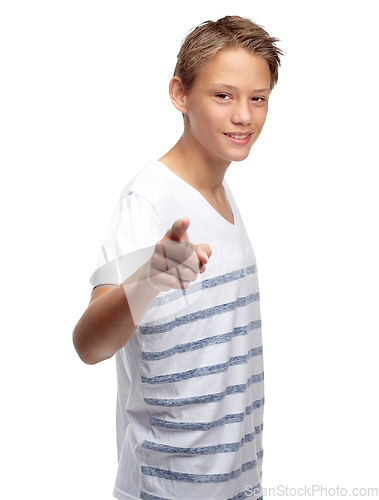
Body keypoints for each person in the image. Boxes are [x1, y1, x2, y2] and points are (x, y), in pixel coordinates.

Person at [73, 15, 282, 500]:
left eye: (259, 98)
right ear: (179, 94)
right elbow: (88, 344)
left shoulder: (222, 197)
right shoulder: (148, 201)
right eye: (223, 95)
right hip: (167, 492)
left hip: (239, 485)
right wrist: (149, 277)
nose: (245, 116)